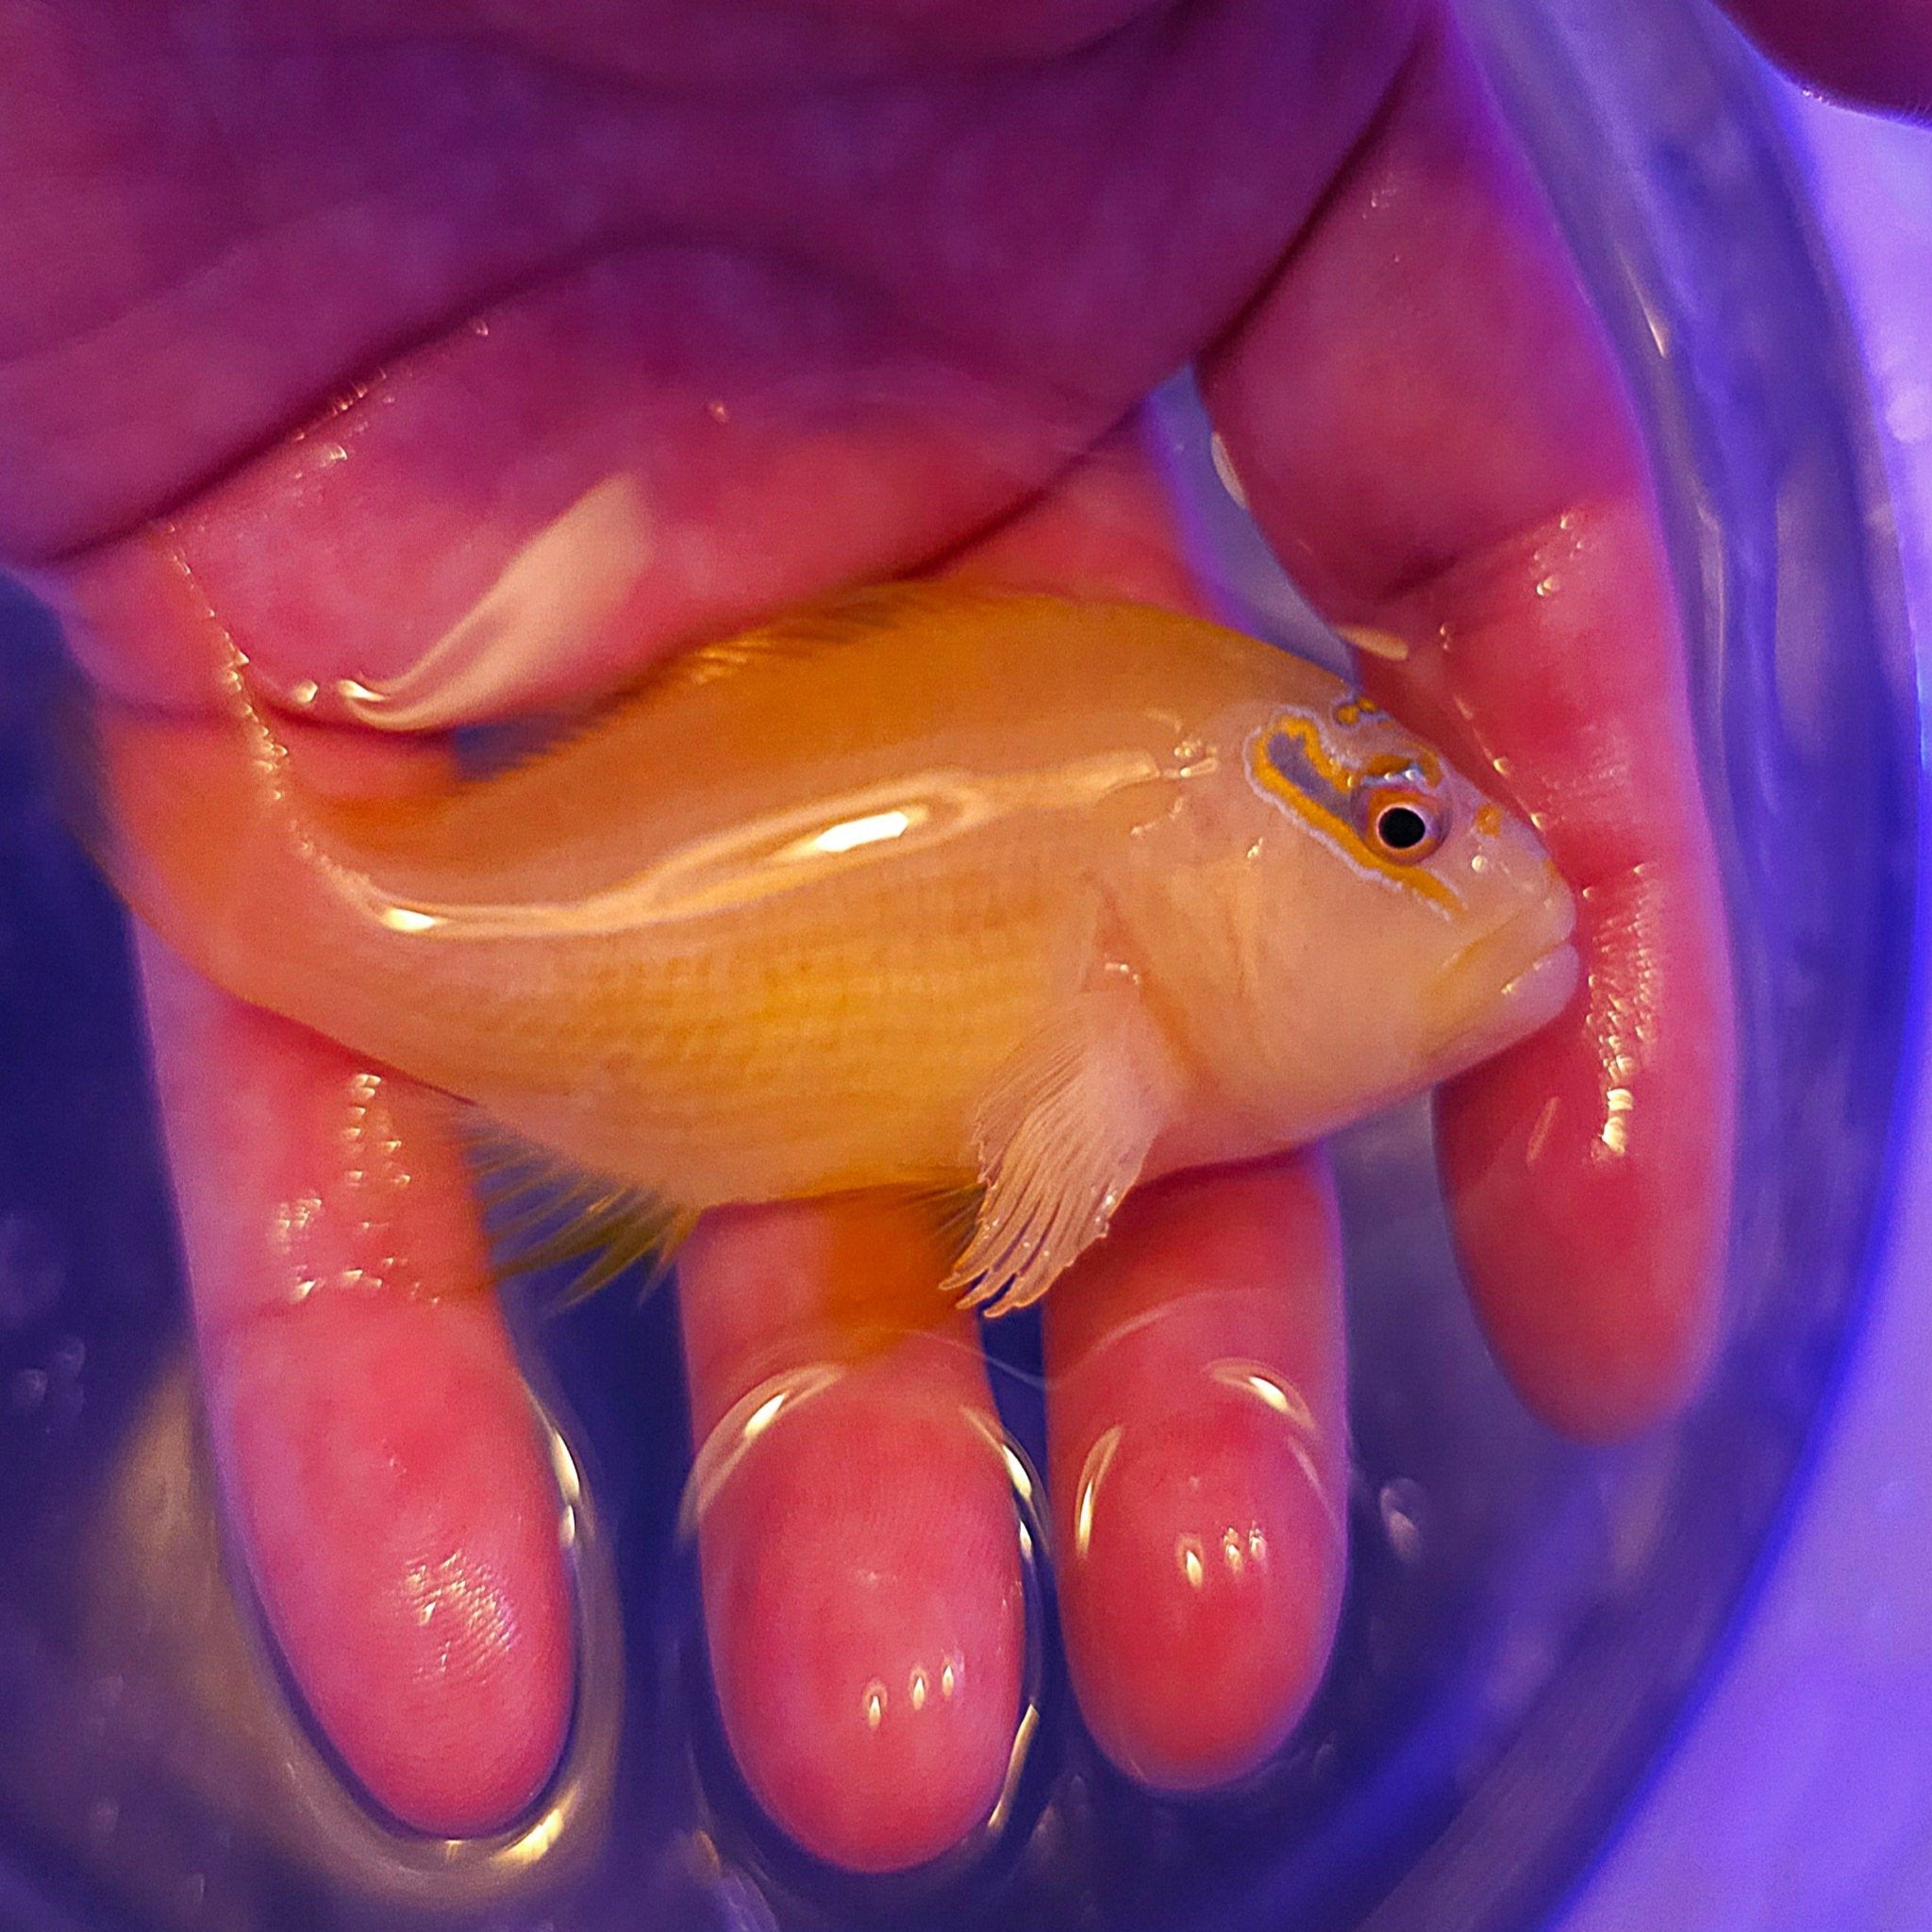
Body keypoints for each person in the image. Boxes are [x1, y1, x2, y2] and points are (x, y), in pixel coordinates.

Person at [1, 0, 1920, 1879]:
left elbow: (1039, 1156)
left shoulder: (1174, 884)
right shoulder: (1159, 907)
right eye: (1402, 827)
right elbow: (1046, 1161)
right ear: (1215, 833)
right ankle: (207, 839)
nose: (1469, 868)